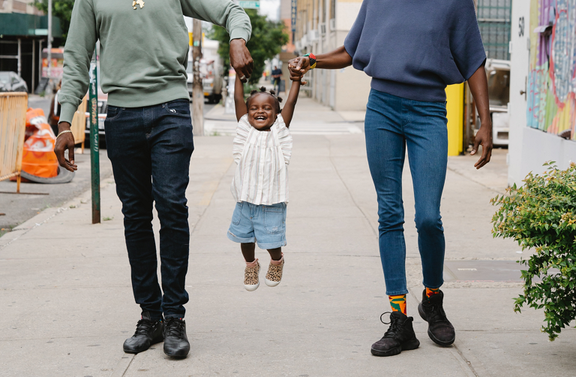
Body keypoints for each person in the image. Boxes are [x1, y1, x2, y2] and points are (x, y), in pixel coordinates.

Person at [289, 0, 493, 357]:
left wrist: (485, 121)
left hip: (429, 111)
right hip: (381, 107)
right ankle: (400, 319)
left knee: (428, 217)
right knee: (389, 214)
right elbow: (351, 50)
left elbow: (473, 59)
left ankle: (432, 298)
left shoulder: (455, 3)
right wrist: (313, 61)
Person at [53, 0, 253, 359]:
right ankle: (150, 315)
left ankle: (174, 315)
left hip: (170, 111)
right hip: (121, 116)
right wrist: (65, 121)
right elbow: (77, 57)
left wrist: (237, 38)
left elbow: (232, 11)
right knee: (135, 215)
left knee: (173, 207)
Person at [227, 69, 303, 291]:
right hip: (245, 199)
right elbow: (237, 99)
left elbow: (290, 103)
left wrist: (296, 81)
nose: (260, 111)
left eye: (267, 108)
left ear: (276, 114)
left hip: (272, 201)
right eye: (254, 108)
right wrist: (239, 77)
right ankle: (251, 265)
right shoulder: (244, 130)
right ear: (248, 113)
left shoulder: (279, 133)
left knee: (272, 241)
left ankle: (277, 261)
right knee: (245, 238)